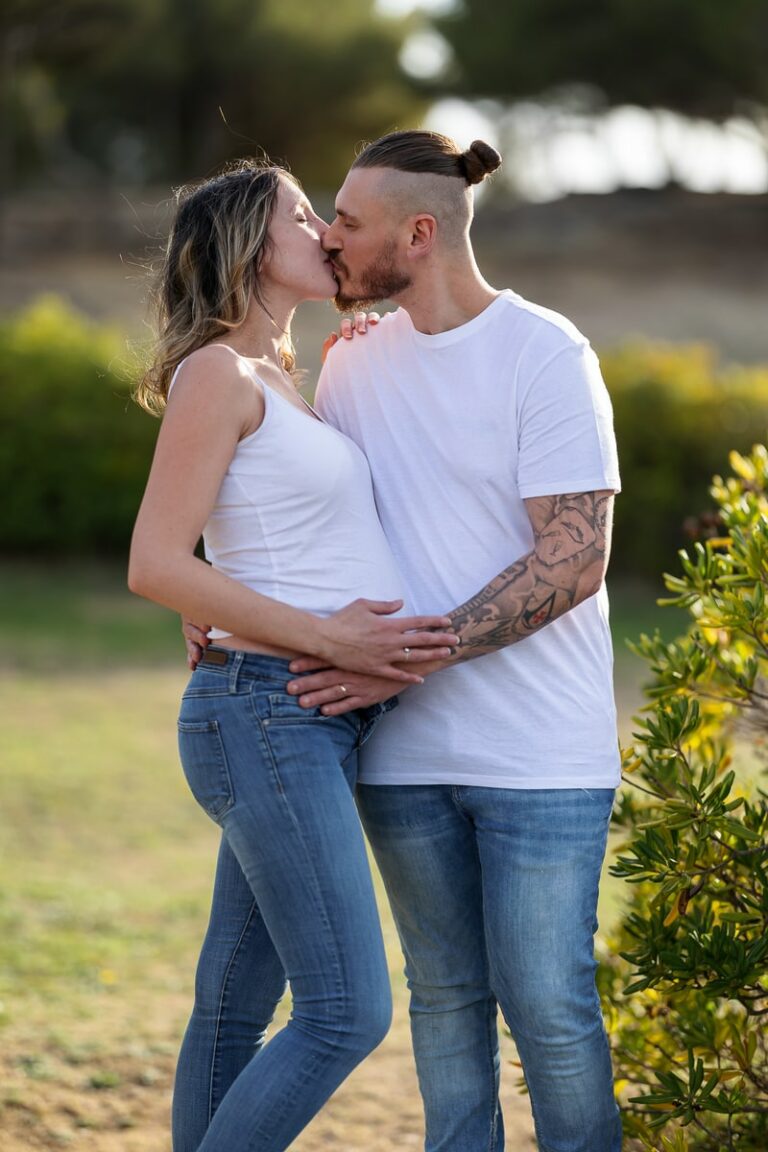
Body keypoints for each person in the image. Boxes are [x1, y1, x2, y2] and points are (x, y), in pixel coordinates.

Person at [188, 131, 623, 1151]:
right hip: (396, 751)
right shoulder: (349, 362)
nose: (330, 238)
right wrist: (207, 593)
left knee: (551, 1010)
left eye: (347, 221)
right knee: (444, 1000)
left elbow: (576, 556)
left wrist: (409, 657)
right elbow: (277, 495)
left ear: (419, 235)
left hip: (541, 753)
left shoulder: (544, 351)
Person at [128, 157, 459, 1152]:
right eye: (303, 215)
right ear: (246, 246)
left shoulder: (278, 379)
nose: (325, 230)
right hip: (269, 710)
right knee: (346, 1011)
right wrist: (325, 635)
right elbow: (154, 561)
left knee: (235, 1003)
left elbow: (254, 532)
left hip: (295, 716)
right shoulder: (216, 373)